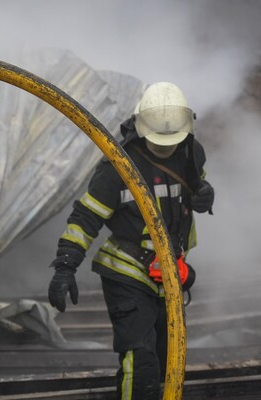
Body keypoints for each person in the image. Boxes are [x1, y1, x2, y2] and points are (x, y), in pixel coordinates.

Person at [47, 82, 214, 399]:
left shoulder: (192, 152)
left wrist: (205, 195)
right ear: (139, 127)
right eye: (158, 141)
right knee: (140, 360)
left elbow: (196, 185)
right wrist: (65, 267)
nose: (166, 147)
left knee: (170, 359)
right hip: (127, 272)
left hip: (170, 272)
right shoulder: (117, 168)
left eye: (171, 141)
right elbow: (86, 217)